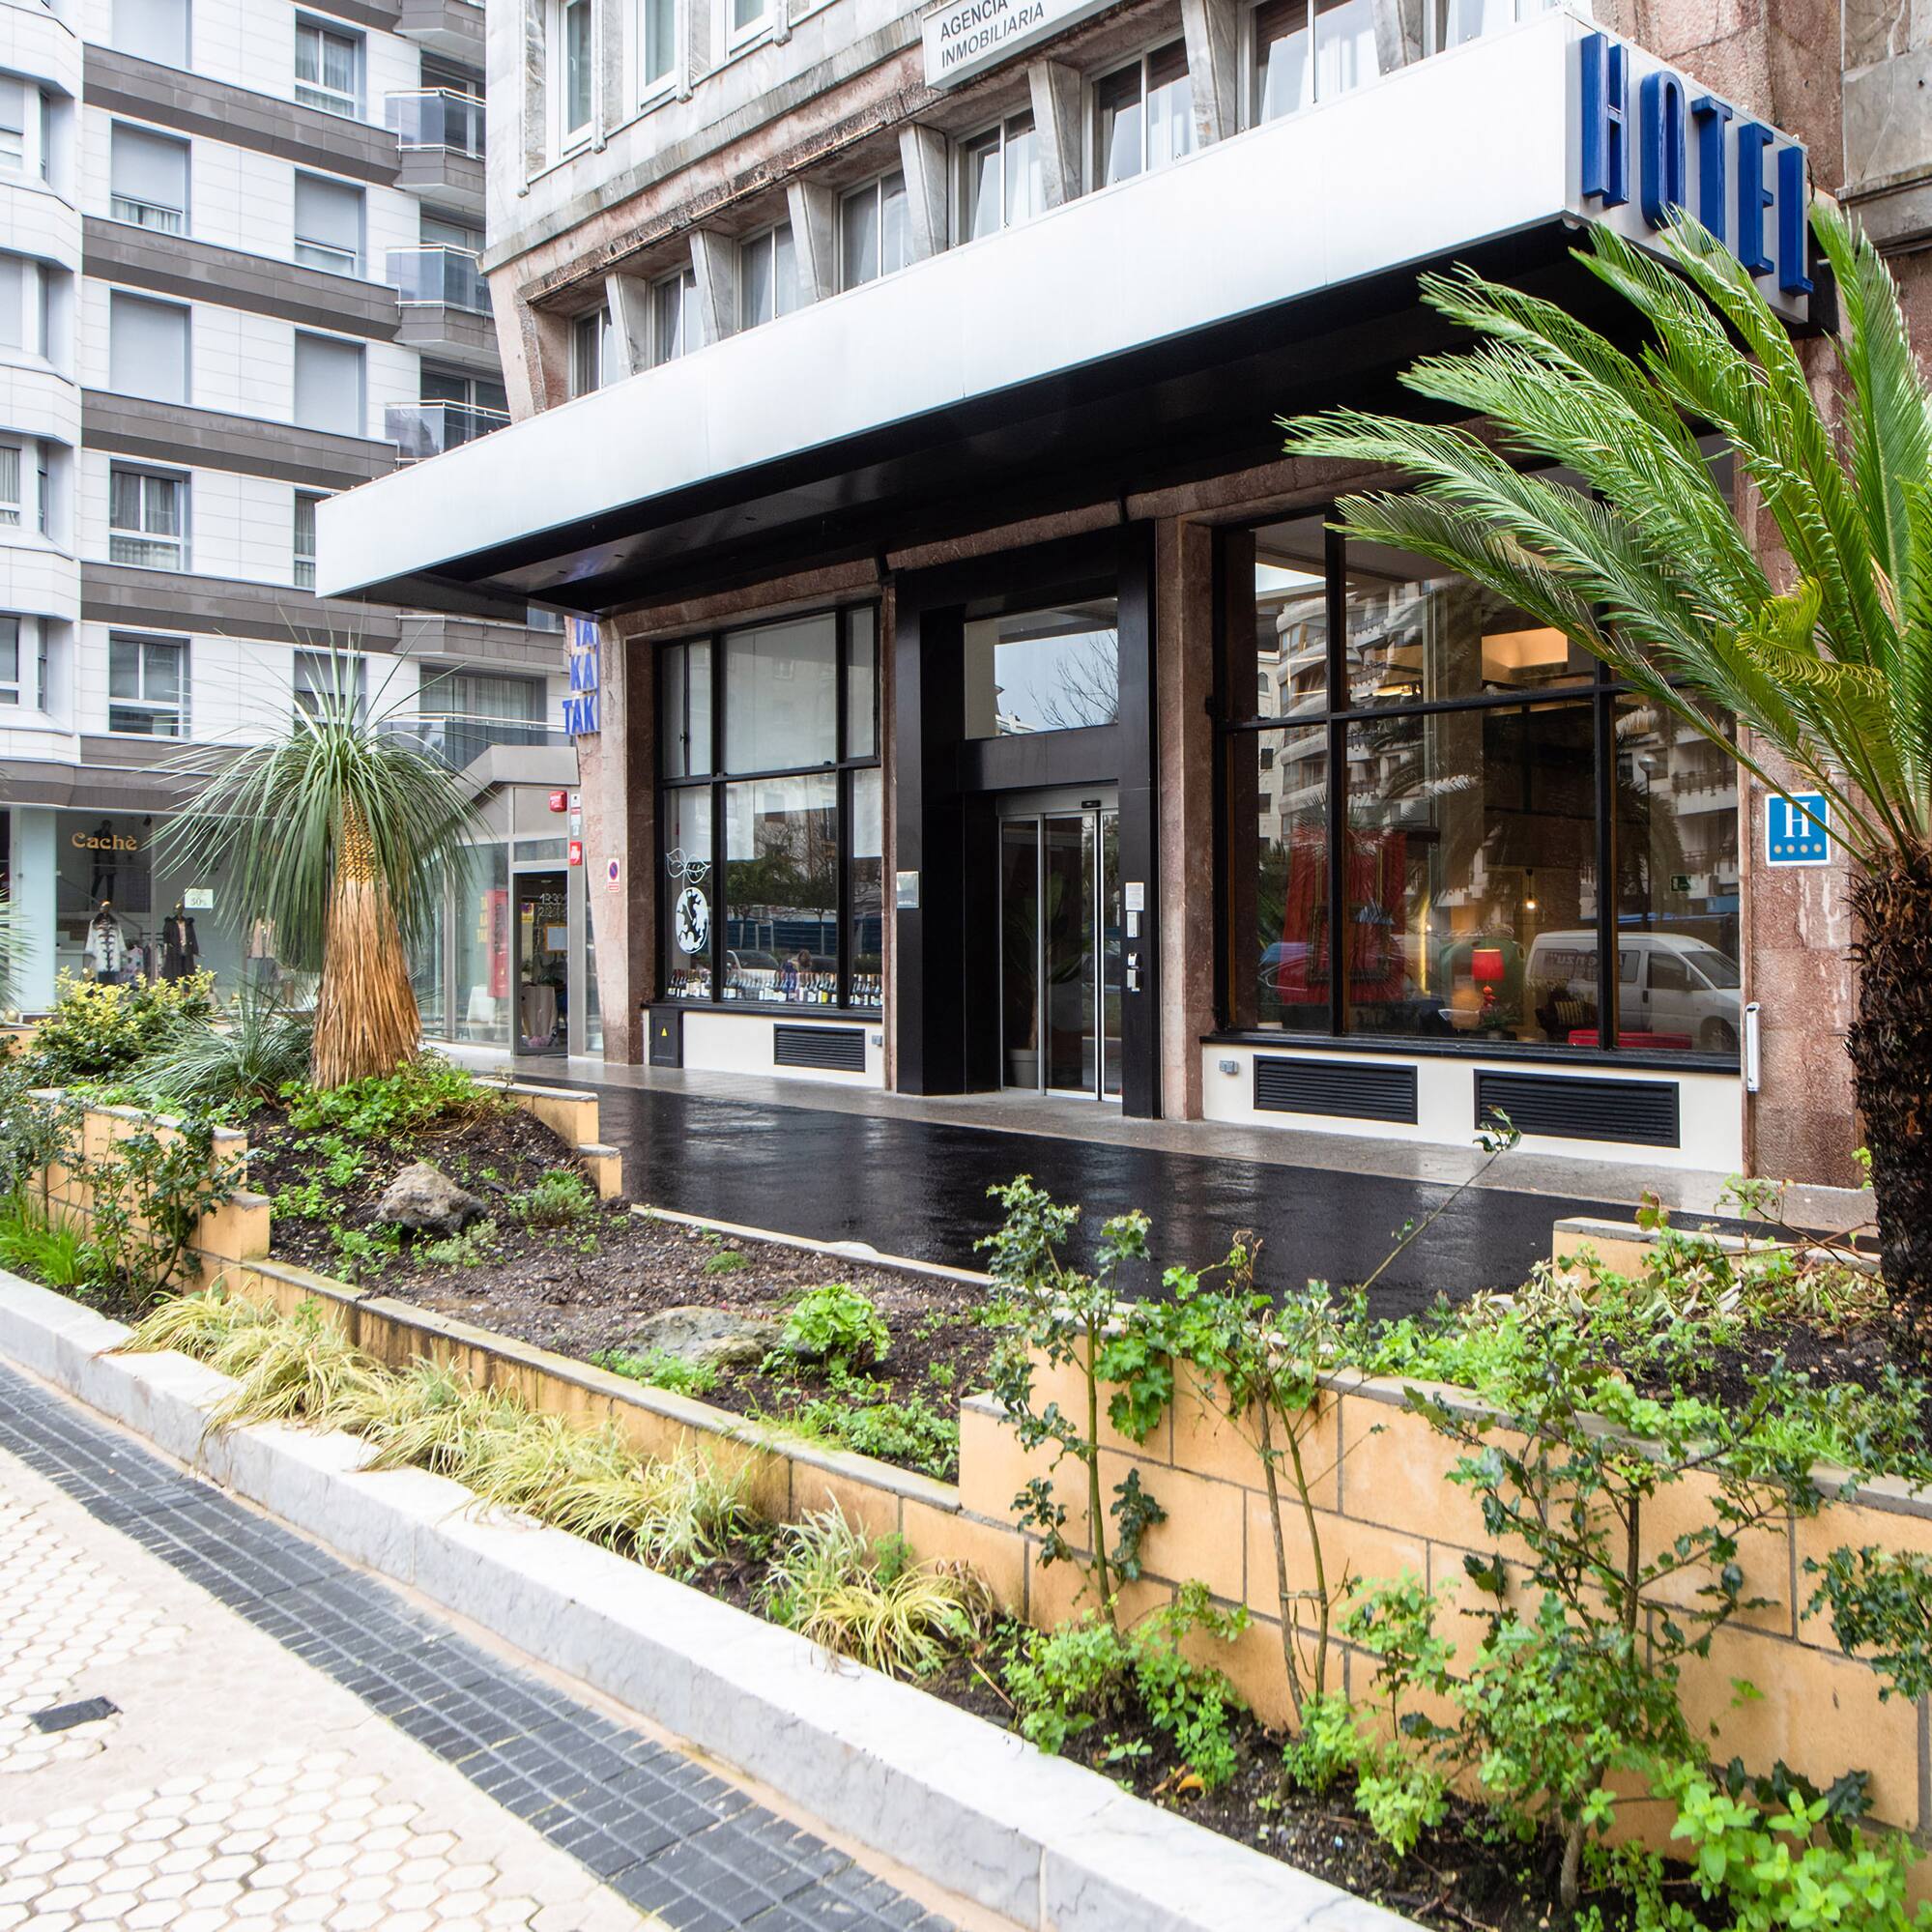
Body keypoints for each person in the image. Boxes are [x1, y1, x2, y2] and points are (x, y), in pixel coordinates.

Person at [85, 902, 127, 986]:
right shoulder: (94, 924)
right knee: (100, 982)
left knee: (113, 983)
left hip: (113, 957)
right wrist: (89, 952)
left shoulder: (115, 924)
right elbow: (91, 938)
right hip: (100, 956)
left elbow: (119, 938)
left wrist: (123, 951)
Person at [160, 903, 200, 982]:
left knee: (187, 968)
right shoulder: (170, 923)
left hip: (186, 949)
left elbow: (192, 936)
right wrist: (166, 950)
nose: (175, 911)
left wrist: (195, 949)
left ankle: (187, 988)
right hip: (174, 950)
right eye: (175, 909)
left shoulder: (188, 923)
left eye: (178, 909)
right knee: (174, 970)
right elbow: (166, 937)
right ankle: (174, 987)